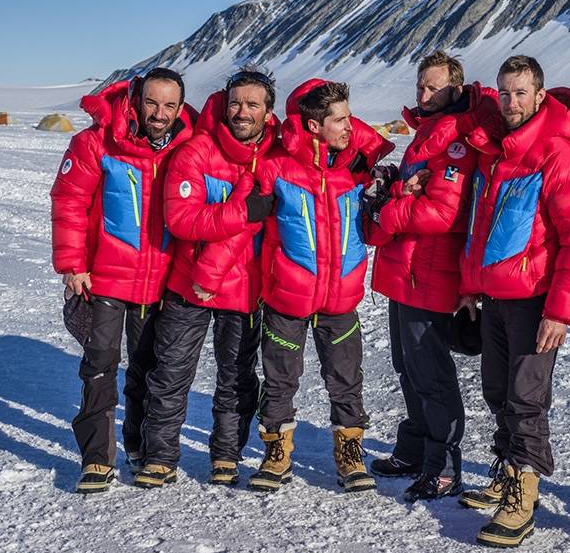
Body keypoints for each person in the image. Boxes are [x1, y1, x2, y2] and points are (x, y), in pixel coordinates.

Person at [455, 55, 570, 547]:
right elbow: (481, 228)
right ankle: (507, 469)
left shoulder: (557, 155)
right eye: (504, 93)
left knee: (525, 398)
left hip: (535, 301)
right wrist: (470, 285)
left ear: (540, 96)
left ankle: (524, 494)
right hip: (492, 298)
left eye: (520, 93)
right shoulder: (495, 155)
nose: (511, 103)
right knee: (497, 390)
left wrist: (560, 312)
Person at [50, 68, 197, 493]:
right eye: (152, 102)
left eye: (170, 105)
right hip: (104, 280)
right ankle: (97, 458)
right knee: (99, 368)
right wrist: (72, 264)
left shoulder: (187, 147)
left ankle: (136, 445)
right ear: (136, 98)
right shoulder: (96, 141)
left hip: (160, 281)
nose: (159, 113)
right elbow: (70, 201)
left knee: (147, 371)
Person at [132, 68, 279, 489]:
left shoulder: (275, 159)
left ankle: (226, 457)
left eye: (252, 104)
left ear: (268, 112)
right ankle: (160, 458)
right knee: (171, 373)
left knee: (236, 378)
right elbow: (181, 220)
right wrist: (242, 213)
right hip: (187, 286)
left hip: (245, 290)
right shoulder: (197, 151)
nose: (242, 112)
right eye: (235, 102)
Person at [249, 79, 394, 494]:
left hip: (341, 296)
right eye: (340, 120)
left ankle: (349, 454)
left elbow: (375, 158)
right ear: (312, 127)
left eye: (350, 117)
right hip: (286, 296)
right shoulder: (275, 166)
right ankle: (276, 452)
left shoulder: (356, 167)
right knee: (279, 380)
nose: (350, 126)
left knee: (346, 380)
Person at [365, 50, 497, 502]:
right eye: (420, 86)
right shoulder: (428, 132)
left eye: (433, 87)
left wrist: (390, 203)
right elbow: (419, 200)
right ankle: (414, 450)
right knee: (407, 367)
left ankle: (443, 466)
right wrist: (400, 187)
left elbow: (443, 212)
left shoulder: (458, 140)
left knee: (431, 373)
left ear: (455, 90)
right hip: (405, 270)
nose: (423, 94)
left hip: (430, 274)